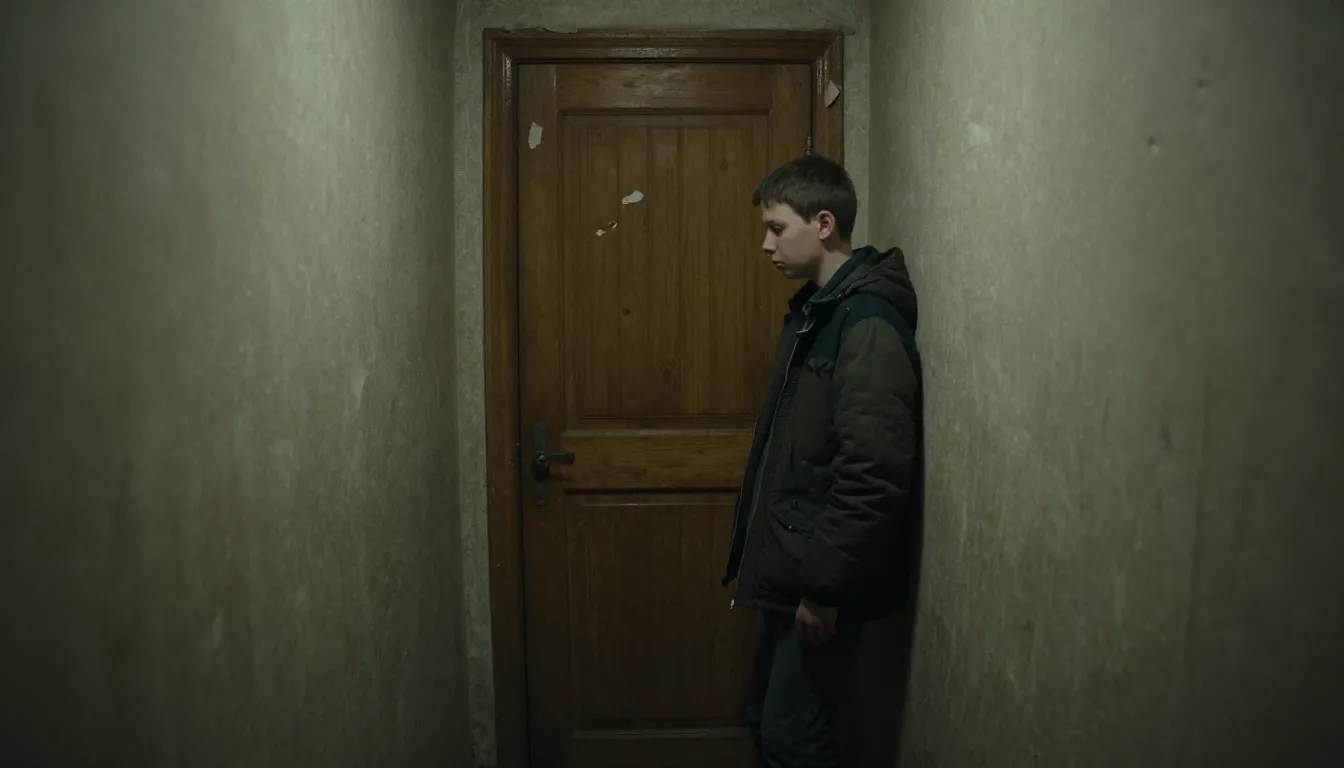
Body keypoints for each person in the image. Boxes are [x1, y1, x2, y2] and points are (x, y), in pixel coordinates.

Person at [722, 155, 923, 768]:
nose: (766, 245)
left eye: (777, 228)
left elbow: (873, 472)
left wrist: (826, 590)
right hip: (796, 569)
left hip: (820, 579)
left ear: (825, 223)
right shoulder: (820, 311)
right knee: (768, 724)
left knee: (793, 740)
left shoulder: (865, 323)